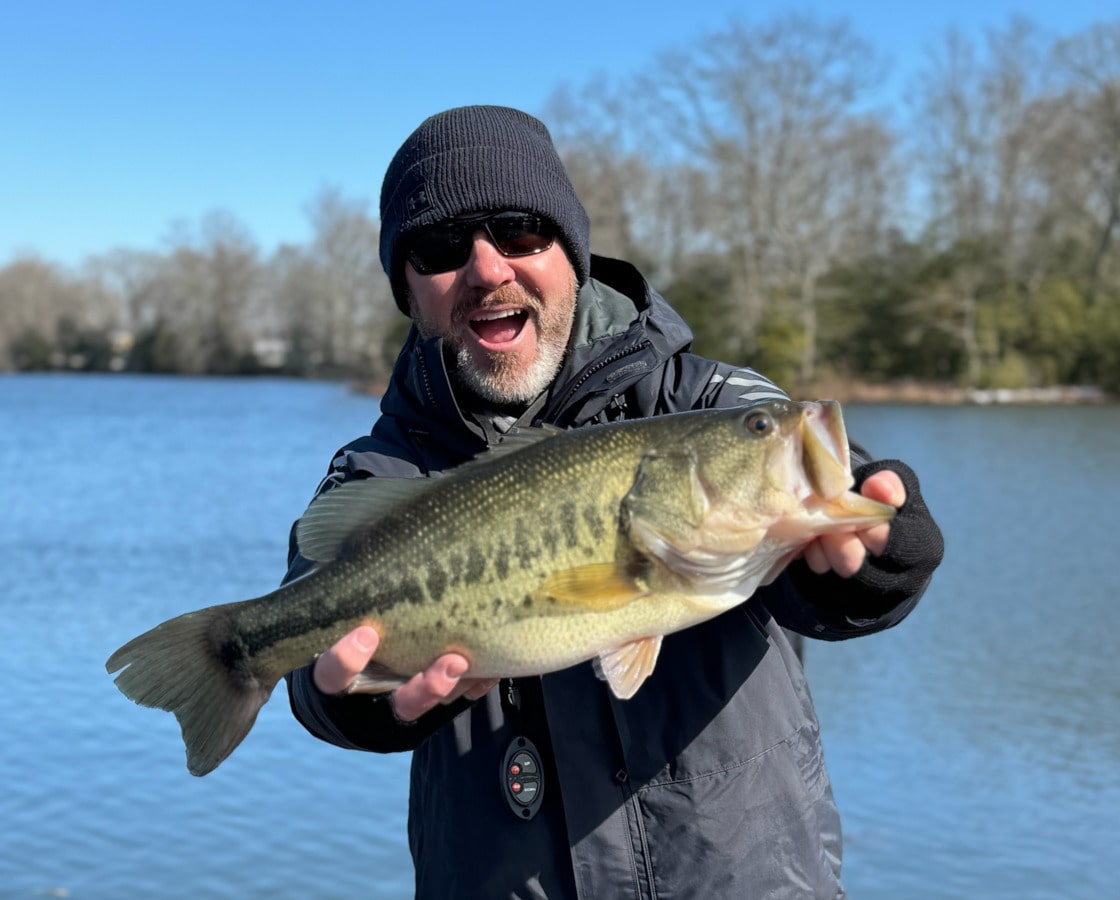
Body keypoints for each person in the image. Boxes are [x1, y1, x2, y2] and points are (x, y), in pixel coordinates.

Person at [284, 105, 944, 899]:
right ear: (409, 290)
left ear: (572, 251)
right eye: (440, 247)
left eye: (521, 230)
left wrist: (878, 551)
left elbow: (827, 514)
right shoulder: (378, 471)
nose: (489, 269)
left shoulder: (703, 400)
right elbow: (307, 660)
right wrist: (364, 706)